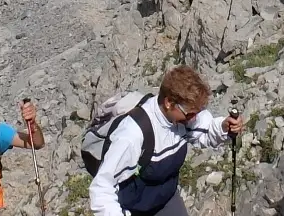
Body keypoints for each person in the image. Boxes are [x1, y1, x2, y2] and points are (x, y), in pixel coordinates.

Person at [87, 66, 243, 216]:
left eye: (197, 113)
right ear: (169, 103)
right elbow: (103, 188)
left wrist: (224, 126)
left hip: (166, 199)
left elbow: (206, 130)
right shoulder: (132, 134)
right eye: (189, 114)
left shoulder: (182, 117)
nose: (193, 119)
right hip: (132, 208)